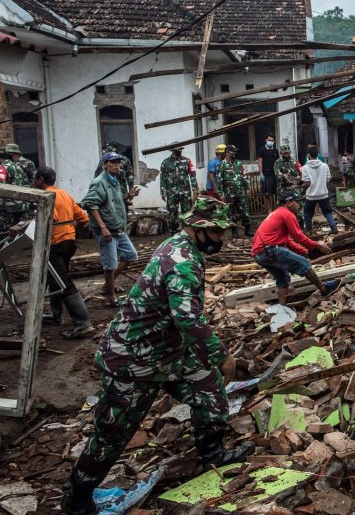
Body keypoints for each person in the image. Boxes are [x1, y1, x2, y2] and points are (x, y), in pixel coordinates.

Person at [60, 198, 254, 515]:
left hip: (168, 350)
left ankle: (213, 455)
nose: (222, 238)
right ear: (198, 229)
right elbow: (188, 318)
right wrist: (222, 356)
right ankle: (78, 499)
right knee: (112, 434)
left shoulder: (181, 246)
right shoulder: (182, 261)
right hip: (132, 359)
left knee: (209, 389)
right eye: (217, 232)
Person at [33, 166, 94, 338]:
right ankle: (56, 314)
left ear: (41, 180)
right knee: (55, 278)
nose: (33, 181)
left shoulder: (46, 195)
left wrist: (27, 226)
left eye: (35, 178)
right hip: (69, 242)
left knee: (62, 281)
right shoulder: (64, 194)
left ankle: (83, 323)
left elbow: (50, 217)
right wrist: (69, 228)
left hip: (55, 244)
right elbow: (83, 218)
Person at [251, 190, 336, 306]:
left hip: (259, 255)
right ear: (289, 203)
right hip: (269, 250)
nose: (298, 204)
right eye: (296, 201)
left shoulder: (278, 213)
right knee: (304, 264)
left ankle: (282, 308)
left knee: (283, 280)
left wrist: (305, 251)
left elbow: (288, 242)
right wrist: (318, 246)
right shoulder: (287, 214)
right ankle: (324, 290)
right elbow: (299, 237)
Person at [81, 151, 140, 307]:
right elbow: (90, 204)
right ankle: (110, 296)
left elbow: (116, 201)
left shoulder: (114, 181)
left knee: (130, 255)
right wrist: (103, 227)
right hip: (108, 231)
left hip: (119, 228)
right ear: (105, 165)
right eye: (113, 162)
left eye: (118, 162)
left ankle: (108, 285)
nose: (117, 165)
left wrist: (129, 196)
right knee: (110, 264)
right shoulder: (99, 182)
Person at [216, 145, 253, 238]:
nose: (234, 153)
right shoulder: (221, 165)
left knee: (245, 211)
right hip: (229, 193)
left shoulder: (239, 163)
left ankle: (248, 229)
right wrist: (221, 194)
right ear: (227, 152)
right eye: (233, 151)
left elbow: (243, 177)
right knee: (231, 212)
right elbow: (219, 181)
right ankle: (234, 230)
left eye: (235, 151)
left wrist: (247, 188)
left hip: (240, 192)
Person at [159, 147, 196, 233]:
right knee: (172, 213)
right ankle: (174, 232)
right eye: (178, 150)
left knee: (187, 212)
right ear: (173, 151)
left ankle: (187, 231)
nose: (180, 151)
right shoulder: (165, 162)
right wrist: (163, 191)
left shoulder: (187, 161)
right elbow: (163, 178)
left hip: (185, 192)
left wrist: (195, 188)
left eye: (181, 150)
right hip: (172, 192)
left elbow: (192, 174)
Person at [301, 148, 338, 235]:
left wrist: (300, 186)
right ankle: (334, 227)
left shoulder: (305, 168)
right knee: (327, 212)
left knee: (308, 213)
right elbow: (328, 179)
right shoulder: (325, 166)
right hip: (323, 194)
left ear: (308, 155)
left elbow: (307, 182)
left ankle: (309, 230)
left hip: (311, 196)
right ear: (317, 155)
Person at [0, 146, 28, 231]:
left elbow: (1, 187)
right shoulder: (18, 167)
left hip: (8, 209)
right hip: (22, 206)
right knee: (17, 232)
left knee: (6, 233)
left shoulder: (3, 167)